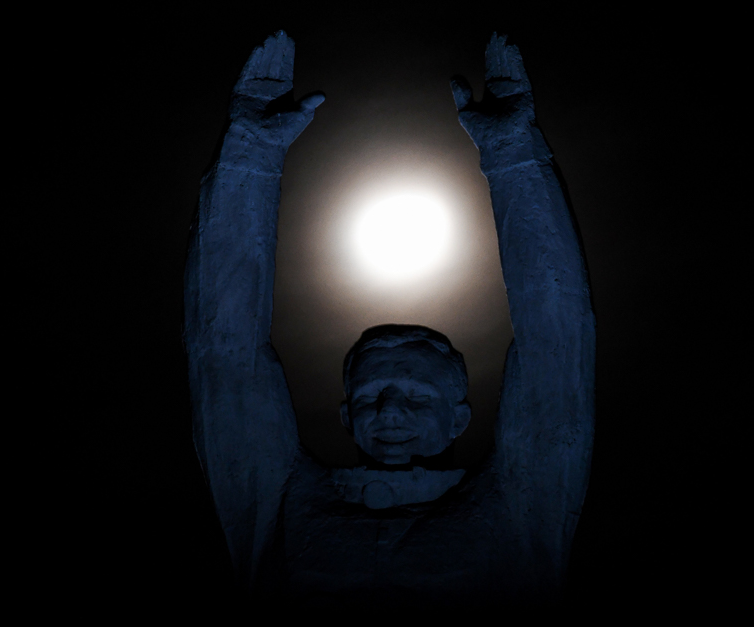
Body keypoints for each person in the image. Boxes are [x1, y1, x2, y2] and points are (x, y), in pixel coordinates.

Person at [184, 30, 595, 608]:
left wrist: (514, 156)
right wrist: (248, 156)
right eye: (373, 396)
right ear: (347, 415)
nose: (392, 413)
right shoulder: (280, 503)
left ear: (459, 419)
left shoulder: (519, 505)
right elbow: (223, 353)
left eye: (418, 398)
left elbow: (558, 343)